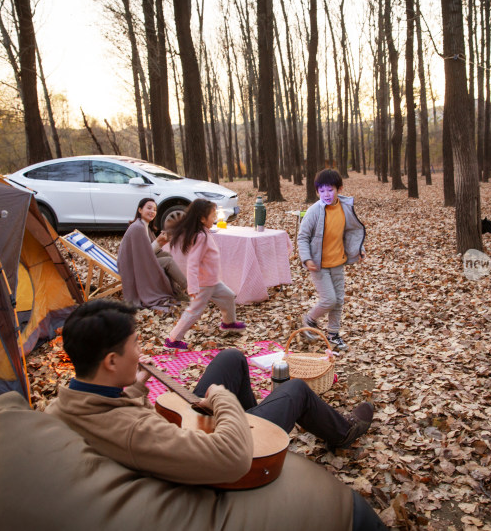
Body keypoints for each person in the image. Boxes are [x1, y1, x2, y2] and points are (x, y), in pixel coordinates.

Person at [45, 299, 385, 530]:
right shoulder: (134, 430)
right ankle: (344, 431)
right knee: (294, 390)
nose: (141, 351)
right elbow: (231, 458)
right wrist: (223, 402)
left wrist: (132, 389)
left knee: (231, 358)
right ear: (110, 362)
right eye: (135, 344)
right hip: (232, 453)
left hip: (175, 439)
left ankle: (257, 414)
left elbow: (117, 419)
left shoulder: (64, 406)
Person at [297, 169, 366, 351]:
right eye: (322, 190)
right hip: (318, 265)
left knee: (339, 300)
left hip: (338, 262)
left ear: (339, 189)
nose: (326, 194)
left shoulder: (345, 208)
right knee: (329, 299)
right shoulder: (314, 212)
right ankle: (309, 319)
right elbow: (302, 237)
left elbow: (352, 231)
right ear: (317, 192)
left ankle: (333, 335)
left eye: (330, 190)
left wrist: (359, 249)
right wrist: (307, 258)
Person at [164, 198, 245, 351]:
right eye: (212, 215)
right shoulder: (201, 236)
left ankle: (228, 323)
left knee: (228, 295)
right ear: (202, 218)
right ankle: (173, 339)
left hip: (213, 282)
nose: (214, 218)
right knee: (194, 311)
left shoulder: (205, 232)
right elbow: (193, 263)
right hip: (204, 284)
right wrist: (193, 287)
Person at [117, 198, 188, 310]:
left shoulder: (144, 226)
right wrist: (158, 242)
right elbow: (143, 256)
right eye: (149, 208)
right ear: (140, 210)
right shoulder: (137, 228)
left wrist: (160, 242)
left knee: (167, 256)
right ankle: (190, 288)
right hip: (133, 267)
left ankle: (177, 291)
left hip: (139, 261)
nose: (152, 211)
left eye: (154, 209)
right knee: (168, 261)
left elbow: (144, 252)